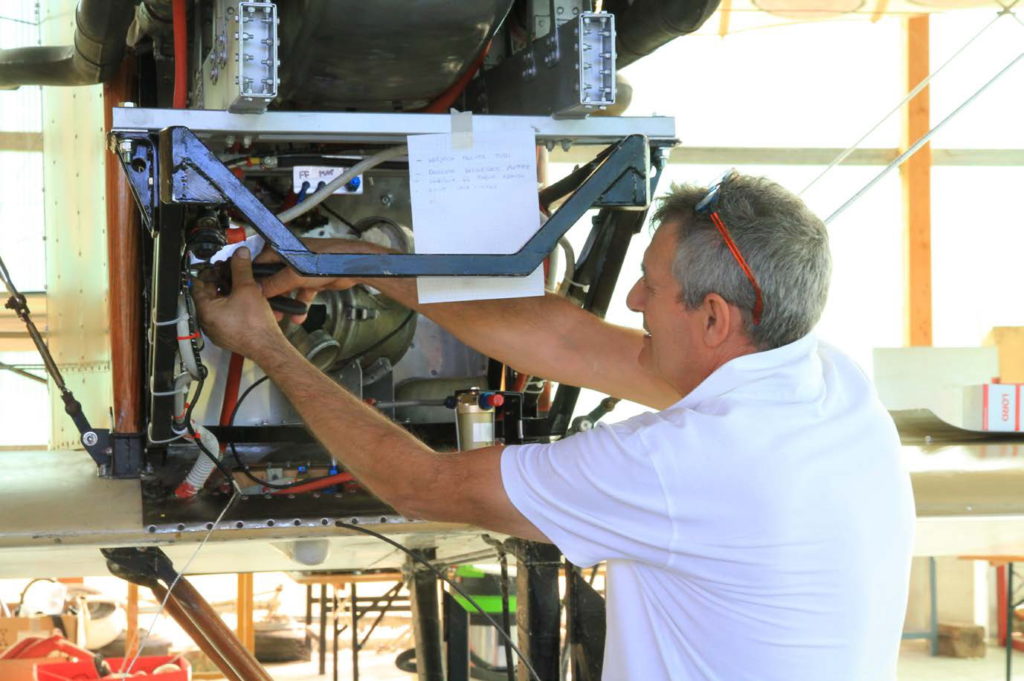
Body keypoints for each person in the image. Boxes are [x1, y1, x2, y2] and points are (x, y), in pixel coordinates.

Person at [194, 171, 915, 681]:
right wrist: (373, 266)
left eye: (652, 286)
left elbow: (424, 483)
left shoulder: (684, 463)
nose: (633, 301)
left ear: (714, 319)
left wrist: (269, 347)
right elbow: (571, 342)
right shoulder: (828, 382)